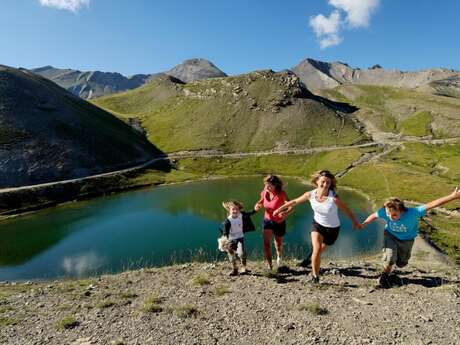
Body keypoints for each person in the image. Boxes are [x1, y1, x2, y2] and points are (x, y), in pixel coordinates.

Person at [360, 187, 460, 288]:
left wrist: (452, 196)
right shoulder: (385, 211)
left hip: (407, 240)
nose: (390, 217)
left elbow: (433, 204)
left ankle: (395, 265)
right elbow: (374, 215)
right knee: (390, 258)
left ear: (401, 210)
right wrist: (365, 223)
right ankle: (384, 276)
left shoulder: (413, 212)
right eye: (388, 214)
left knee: (402, 263)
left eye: (394, 215)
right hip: (390, 236)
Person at [273, 170, 361, 284]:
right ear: (317, 181)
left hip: (333, 229)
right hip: (317, 225)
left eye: (328, 183)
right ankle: (315, 277)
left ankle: (308, 259)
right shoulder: (310, 194)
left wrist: (355, 222)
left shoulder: (333, 198)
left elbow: (347, 211)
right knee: (317, 250)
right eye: (323, 182)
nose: (325, 185)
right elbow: (294, 201)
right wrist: (279, 209)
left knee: (320, 250)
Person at [254, 175, 292, 271]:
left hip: (279, 221)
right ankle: (270, 266)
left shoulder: (282, 194)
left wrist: (285, 213)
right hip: (267, 220)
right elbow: (261, 201)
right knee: (266, 244)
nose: (267, 187)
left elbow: (291, 206)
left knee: (278, 242)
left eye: (269, 186)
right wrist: (257, 205)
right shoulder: (265, 192)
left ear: (276, 185)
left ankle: (279, 256)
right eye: (266, 185)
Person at [220, 200, 257, 276]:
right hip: (231, 239)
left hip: (240, 237)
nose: (235, 211)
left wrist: (255, 210)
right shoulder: (228, 221)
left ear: (239, 209)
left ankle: (244, 268)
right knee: (231, 255)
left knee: (242, 254)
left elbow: (249, 213)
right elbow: (225, 233)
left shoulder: (241, 215)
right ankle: (235, 269)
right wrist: (224, 242)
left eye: (237, 209)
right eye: (233, 209)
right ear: (229, 210)